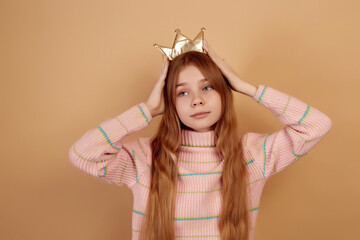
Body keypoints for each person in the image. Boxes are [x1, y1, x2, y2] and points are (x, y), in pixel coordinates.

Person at [68, 39, 332, 240]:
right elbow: (83, 154)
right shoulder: (144, 158)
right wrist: (146, 110)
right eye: (182, 93)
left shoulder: (253, 155)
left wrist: (245, 87)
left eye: (208, 87)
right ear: (169, 101)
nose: (197, 99)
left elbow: (316, 125)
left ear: (224, 92)